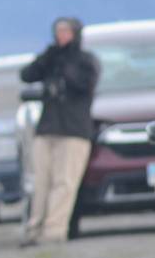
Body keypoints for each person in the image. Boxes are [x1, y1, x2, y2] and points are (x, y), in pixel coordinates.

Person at [19, 17, 100, 245]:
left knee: (64, 183)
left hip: (74, 131)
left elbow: (85, 85)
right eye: (58, 31)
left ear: (76, 34)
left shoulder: (86, 61)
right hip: (47, 128)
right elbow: (26, 75)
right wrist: (49, 57)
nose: (62, 35)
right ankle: (34, 228)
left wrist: (66, 67)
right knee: (41, 181)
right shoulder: (51, 58)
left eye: (66, 31)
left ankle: (54, 231)